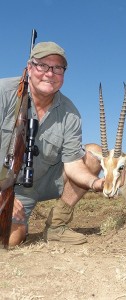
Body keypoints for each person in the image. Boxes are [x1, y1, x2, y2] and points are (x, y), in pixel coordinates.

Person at [0, 41, 104, 247]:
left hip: (36, 185)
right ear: (29, 68)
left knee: (93, 154)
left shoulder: (70, 113)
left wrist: (97, 183)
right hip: (3, 184)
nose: (50, 73)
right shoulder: (4, 92)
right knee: (10, 240)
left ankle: (56, 226)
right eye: (42, 66)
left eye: (58, 68)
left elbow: (74, 164)